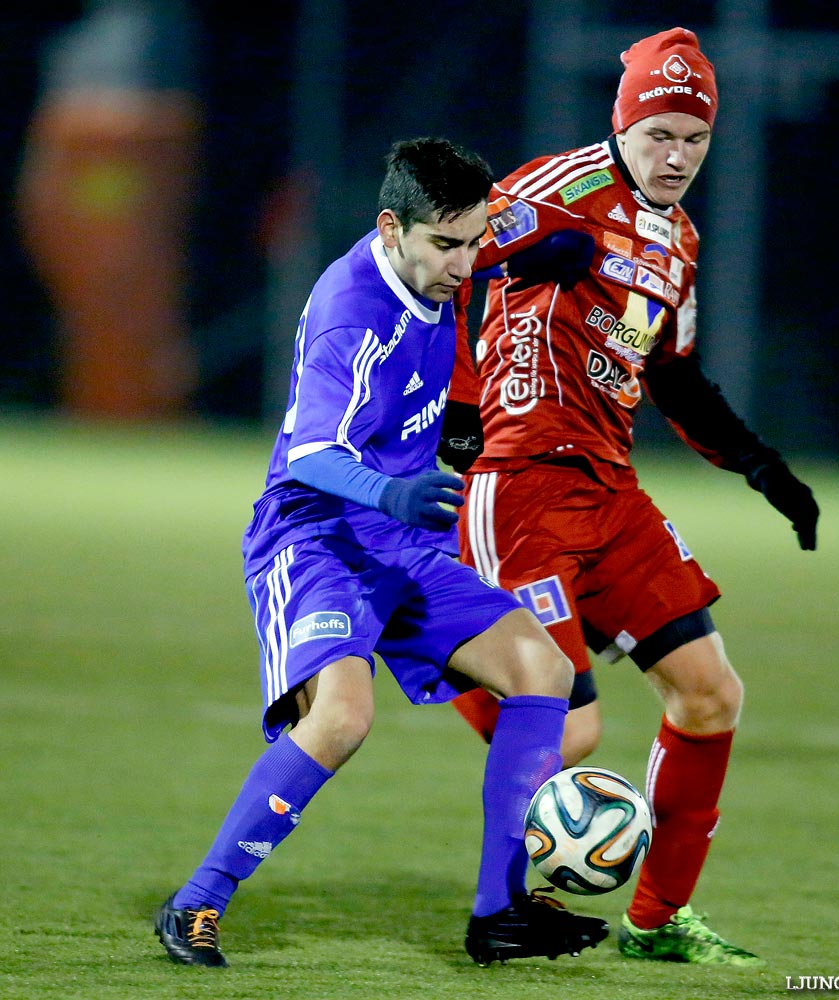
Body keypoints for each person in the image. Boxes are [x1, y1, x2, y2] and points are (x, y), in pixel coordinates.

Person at [154, 137, 609, 969]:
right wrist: (393, 490)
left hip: (401, 542)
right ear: (390, 228)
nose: (463, 263)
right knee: (342, 719)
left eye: (475, 241)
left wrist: (547, 251)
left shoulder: (452, 246)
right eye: (446, 245)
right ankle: (196, 903)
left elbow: (566, 238)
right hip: (317, 534)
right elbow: (312, 458)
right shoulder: (351, 309)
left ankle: (498, 913)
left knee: (541, 671)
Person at [443, 28, 819, 966]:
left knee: (708, 695)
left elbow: (674, 376)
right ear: (626, 124)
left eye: (693, 137)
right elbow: (443, 257)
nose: (677, 155)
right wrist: (456, 403)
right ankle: (441, 660)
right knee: (569, 728)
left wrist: (759, 464)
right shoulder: (554, 192)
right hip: (520, 483)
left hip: (611, 490)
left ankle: (653, 923)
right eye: (659, 132)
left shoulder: (678, 240)